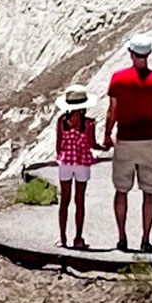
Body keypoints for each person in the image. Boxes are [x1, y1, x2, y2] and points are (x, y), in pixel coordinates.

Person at [105, 35, 152, 252]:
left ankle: (122, 238)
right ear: (148, 54)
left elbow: (112, 111)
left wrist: (107, 134)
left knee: (122, 190)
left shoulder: (118, 79)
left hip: (125, 139)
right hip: (150, 139)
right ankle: (145, 240)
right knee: (149, 192)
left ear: (131, 54)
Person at [51, 86, 96, 249]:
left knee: (65, 200)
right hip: (82, 162)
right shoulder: (89, 123)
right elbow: (92, 144)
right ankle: (78, 238)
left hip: (66, 162)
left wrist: (62, 156)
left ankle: (62, 237)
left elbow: (58, 144)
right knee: (80, 200)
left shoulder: (62, 121)